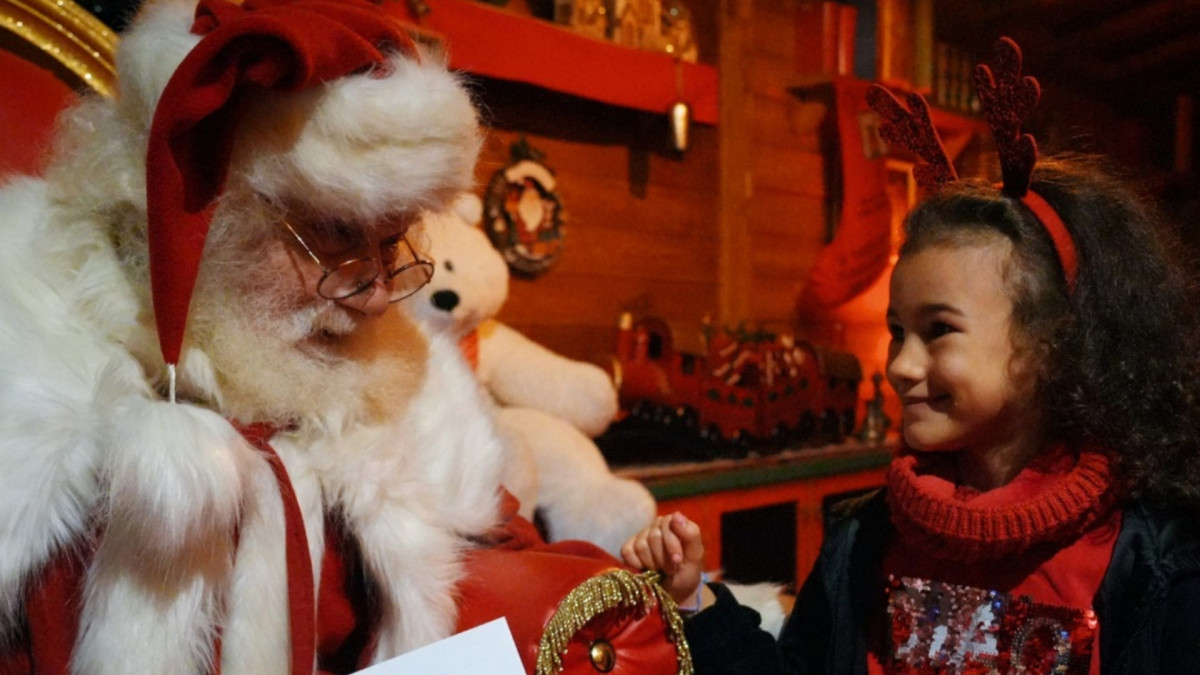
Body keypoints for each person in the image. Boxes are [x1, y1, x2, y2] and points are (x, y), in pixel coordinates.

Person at [0, 0, 686, 673]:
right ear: (209, 211)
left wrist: (636, 593)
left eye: (393, 243)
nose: (380, 292)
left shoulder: (406, 380)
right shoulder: (34, 355)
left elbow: (503, 562)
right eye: (333, 234)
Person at [622, 43, 1200, 675]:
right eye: (899, 331)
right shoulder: (866, 539)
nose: (900, 365)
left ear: (1052, 345)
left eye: (939, 330)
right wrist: (698, 602)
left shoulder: (1153, 560)